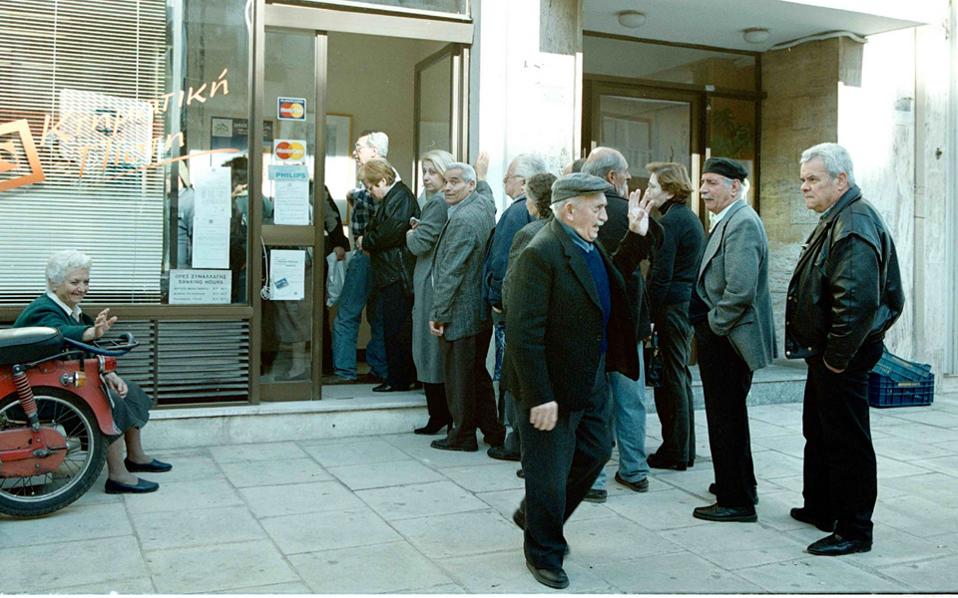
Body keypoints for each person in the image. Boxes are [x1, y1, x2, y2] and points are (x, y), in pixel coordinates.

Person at [507, 173, 656, 589]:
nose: (605, 216)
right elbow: (523, 332)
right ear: (569, 209)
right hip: (550, 385)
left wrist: (638, 234)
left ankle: (536, 516)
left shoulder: (585, 244)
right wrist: (539, 396)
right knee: (548, 473)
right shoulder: (541, 253)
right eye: (599, 208)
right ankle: (544, 554)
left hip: (589, 376)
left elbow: (614, 274)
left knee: (593, 452)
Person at [786, 143, 904, 556]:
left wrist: (836, 360)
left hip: (843, 356)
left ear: (841, 180)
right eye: (803, 179)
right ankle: (822, 507)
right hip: (828, 353)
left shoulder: (853, 222)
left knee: (847, 440)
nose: (805, 187)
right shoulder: (836, 216)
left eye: (813, 179)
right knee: (819, 431)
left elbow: (855, 303)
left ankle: (854, 529)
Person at [14, 250, 171, 494]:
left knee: (130, 391)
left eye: (86, 282)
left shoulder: (72, 310)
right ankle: (118, 476)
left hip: (60, 384)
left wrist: (109, 374)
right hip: (36, 395)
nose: (82, 288)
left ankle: (136, 457)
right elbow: (60, 334)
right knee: (107, 401)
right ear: (54, 283)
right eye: (74, 282)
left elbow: (90, 350)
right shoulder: (42, 310)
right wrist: (92, 333)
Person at [690, 157, 776, 523]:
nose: (704, 189)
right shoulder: (730, 220)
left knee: (726, 420)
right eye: (703, 182)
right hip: (723, 338)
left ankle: (736, 501)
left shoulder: (741, 223)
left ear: (735, 187)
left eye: (712, 182)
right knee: (728, 418)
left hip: (728, 341)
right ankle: (739, 483)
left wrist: (713, 326)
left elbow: (739, 291)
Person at [581, 146, 661, 499]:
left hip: (595, 322)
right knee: (631, 397)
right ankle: (634, 469)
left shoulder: (579, 214)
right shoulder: (631, 212)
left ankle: (595, 480)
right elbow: (655, 250)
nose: (631, 178)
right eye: (626, 173)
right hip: (629, 321)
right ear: (611, 177)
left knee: (595, 401)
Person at [428, 162, 504, 451]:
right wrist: (482, 177)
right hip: (478, 311)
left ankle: (462, 435)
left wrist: (438, 314)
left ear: (469, 186)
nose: (447, 187)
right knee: (476, 375)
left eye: (455, 182)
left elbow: (451, 272)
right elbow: (490, 198)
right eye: (446, 181)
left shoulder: (463, 219)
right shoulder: (483, 205)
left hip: (461, 311)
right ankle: (493, 431)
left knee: (459, 379)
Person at [483, 154, 549, 462]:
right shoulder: (541, 221)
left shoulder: (516, 216)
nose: (505, 182)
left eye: (509, 177)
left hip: (514, 313)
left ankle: (513, 439)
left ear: (524, 183)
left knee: (510, 376)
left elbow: (503, 264)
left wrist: (497, 301)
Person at [644, 162, 706, 471]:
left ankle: (676, 450)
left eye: (653, 187)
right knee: (677, 376)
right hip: (681, 305)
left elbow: (661, 274)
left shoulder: (672, 221)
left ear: (669, 189)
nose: (649, 192)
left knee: (672, 378)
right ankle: (681, 448)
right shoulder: (684, 218)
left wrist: (650, 314)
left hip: (672, 307)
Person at [330, 131, 390, 383]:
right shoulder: (388, 178)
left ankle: (344, 371)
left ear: (374, 152)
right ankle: (380, 368)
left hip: (366, 256)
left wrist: (353, 195)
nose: (355, 153)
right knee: (377, 315)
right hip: (382, 259)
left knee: (347, 314)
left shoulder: (372, 183)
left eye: (359, 147)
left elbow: (363, 203)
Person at [357, 158, 419, 392]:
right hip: (393, 273)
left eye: (371, 186)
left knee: (397, 330)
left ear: (383, 181)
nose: (370, 192)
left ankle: (399, 379)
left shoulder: (400, 197)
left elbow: (390, 231)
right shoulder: (396, 197)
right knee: (393, 328)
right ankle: (399, 377)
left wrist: (367, 241)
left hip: (397, 275)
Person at [407, 149, 456, 434]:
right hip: (431, 280)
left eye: (432, 172)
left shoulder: (437, 203)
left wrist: (411, 233)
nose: (426, 177)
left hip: (431, 283)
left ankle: (439, 416)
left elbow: (419, 244)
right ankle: (441, 416)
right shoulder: (437, 201)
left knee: (428, 352)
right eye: (424, 171)